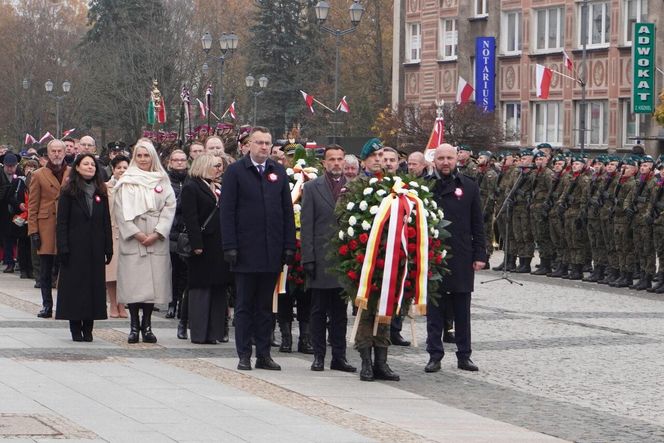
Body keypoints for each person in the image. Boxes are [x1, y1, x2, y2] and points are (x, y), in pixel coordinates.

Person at [221, 126, 296, 371]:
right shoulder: (235, 172)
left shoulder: (278, 172)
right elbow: (227, 211)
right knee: (244, 305)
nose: (264, 147)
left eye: (267, 143)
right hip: (244, 251)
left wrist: (288, 245)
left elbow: (286, 211)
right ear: (249, 145)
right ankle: (244, 353)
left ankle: (263, 354)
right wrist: (229, 245)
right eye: (259, 142)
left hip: (271, 250)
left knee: (266, 306)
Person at [426, 144, 486, 373]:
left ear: (456, 160)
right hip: (434, 256)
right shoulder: (426, 187)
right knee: (435, 310)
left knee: (462, 310)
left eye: (449, 158)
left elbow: (477, 223)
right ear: (434, 161)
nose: (445, 162)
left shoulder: (469, 186)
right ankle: (434, 354)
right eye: (441, 158)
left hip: (461, 255)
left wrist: (480, 254)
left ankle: (464, 354)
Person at [114, 138, 176, 343]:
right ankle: (133, 326)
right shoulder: (127, 181)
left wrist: (158, 232)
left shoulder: (162, 180)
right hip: (134, 238)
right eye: (139, 155)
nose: (142, 159)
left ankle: (147, 325)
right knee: (134, 285)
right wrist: (137, 233)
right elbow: (121, 212)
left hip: (156, 236)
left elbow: (169, 207)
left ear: (153, 157)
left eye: (146, 155)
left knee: (153, 285)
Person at [301, 145, 356, 373]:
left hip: (344, 260)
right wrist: (308, 258)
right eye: (331, 159)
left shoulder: (354, 188)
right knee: (318, 311)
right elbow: (306, 225)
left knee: (340, 313)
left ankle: (339, 357)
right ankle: (318, 356)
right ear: (324, 163)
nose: (336, 163)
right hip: (321, 259)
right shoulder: (312, 188)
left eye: (339, 159)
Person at [55, 154, 113, 341]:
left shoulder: (100, 192)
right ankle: (75, 326)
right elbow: (62, 222)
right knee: (75, 287)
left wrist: (108, 247)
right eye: (85, 164)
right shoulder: (68, 192)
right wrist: (62, 247)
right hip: (74, 247)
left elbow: (106, 221)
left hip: (95, 247)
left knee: (93, 287)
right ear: (77, 167)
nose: (90, 167)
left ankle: (89, 327)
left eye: (92, 165)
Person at [181, 154, 230, 344]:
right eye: (216, 166)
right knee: (201, 289)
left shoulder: (217, 187)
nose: (219, 169)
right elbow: (190, 218)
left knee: (218, 287)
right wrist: (197, 244)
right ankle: (200, 332)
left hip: (218, 246)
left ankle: (215, 332)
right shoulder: (192, 187)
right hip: (202, 246)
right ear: (204, 166)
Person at [28, 140, 71, 318]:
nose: (57, 154)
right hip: (46, 225)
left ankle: (66, 304)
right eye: (53, 151)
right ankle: (47, 305)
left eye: (60, 151)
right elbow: (33, 205)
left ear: (64, 152)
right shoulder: (38, 174)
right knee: (45, 269)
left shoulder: (72, 172)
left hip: (67, 225)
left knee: (66, 268)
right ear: (47, 153)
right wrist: (33, 231)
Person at [105, 155, 129, 318]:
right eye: (119, 167)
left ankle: (123, 303)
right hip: (112, 231)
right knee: (112, 272)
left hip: (128, 233)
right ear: (113, 170)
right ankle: (113, 303)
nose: (122, 170)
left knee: (126, 273)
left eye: (125, 167)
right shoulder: (106, 187)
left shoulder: (133, 187)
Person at [166, 149, 189, 319]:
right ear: (170, 162)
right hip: (170, 230)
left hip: (186, 230)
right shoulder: (165, 181)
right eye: (176, 160)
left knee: (185, 272)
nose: (180, 163)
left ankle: (183, 303)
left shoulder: (191, 180)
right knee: (173, 270)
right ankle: (172, 302)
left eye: (183, 160)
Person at [8, 158, 37, 279]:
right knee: (23, 243)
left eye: (32, 168)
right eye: (27, 168)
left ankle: (32, 269)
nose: (30, 170)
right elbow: (10, 197)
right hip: (22, 216)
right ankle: (24, 269)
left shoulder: (37, 181)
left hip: (33, 216)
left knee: (32, 244)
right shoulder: (18, 182)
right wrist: (19, 204)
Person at [1, 153, 20, 273]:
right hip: (3, 211)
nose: (10, 169)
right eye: (8, 166)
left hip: (18, 211)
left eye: (12, 166)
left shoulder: (20, 175)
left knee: (19, 238)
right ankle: (9, 262)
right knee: (6, 237)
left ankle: (19, 261)